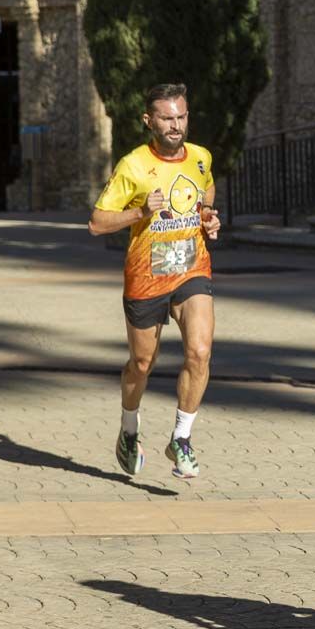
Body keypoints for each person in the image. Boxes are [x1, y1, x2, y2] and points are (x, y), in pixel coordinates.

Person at [88, 83, 221, 480]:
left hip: (192, 269)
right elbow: (97, 223)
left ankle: (181, 438)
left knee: (200, 352)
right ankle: (129, 429)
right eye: (167, 118)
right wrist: (139, 213)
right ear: (149, 121)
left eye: (181, 117)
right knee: (142, 363)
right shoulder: (133, 166)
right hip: (147, 276)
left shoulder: (200, 157)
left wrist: (207, 216)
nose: (176, 125)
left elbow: (206, 187)